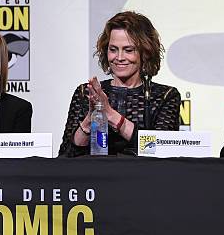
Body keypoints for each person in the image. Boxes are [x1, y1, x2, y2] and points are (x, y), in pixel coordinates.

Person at [59, 11, 181, 157]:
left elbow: (161, 151)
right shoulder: (86, 92)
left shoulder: (165, 96)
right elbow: (65, 156)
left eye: (128, 50)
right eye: (113, 50)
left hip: (143, 178)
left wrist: (109, 114)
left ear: (146, 53)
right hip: (96, 177)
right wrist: (89, 120)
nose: (119, 57)